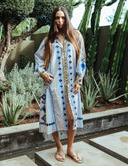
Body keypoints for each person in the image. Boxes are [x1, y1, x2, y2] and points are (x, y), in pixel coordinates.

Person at [34, 6, 86, 163]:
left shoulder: (76, 36)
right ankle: (59, 147)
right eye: (57, 17)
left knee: (71, 118)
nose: (60, 21)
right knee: (53, 116)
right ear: (54, 19)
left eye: (63, 17)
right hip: (53, 87)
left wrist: (79, 80)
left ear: (67, 18)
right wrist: (43, 73)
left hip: (71, 86)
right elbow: (38, 58)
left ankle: (70, 148)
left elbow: (81, 59)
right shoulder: (49, 39)